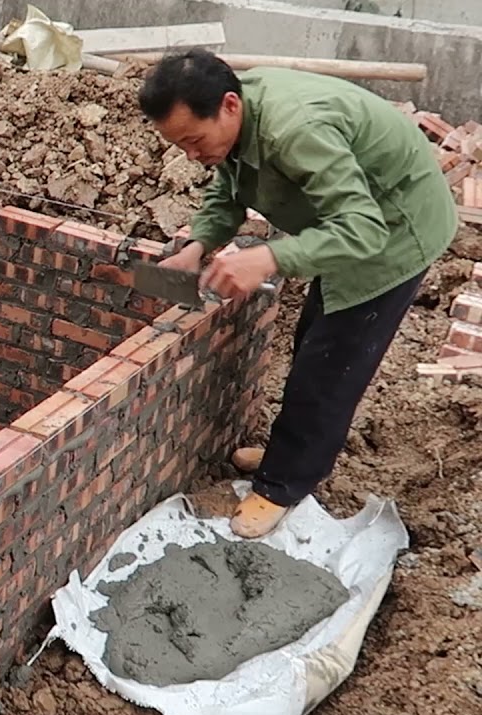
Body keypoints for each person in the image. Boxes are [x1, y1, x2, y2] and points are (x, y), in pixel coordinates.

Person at [137, 49, 455, 538]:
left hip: (393, 232)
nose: (193, 156)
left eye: (195, 141)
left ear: (228, 105)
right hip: (344, 224)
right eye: (181, 147)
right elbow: (231, 184)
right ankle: (292, 451)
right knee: (312, 340)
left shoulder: (294, 130)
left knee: (329, 369)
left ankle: (283, 484)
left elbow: (363, 229)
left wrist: (270, 257)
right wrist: (198, 244)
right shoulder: (239, 121)